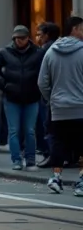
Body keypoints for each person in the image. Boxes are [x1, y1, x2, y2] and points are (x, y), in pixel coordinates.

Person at [38, 16, 83, 196]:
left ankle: (56, 178)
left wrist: (52, 99)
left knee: (59, 143)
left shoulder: (51, 52)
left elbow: (42, 82)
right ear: (74, 30)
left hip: (58, 108)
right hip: (80, 107)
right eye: (82, 29)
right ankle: (81, 181)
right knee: (81, 145)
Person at [0, 25, 44, 170]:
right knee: (14, 130)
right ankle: (16, 160)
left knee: (29, 130)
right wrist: (4, 85)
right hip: (11, 97)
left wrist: (40, 87)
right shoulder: (4, 52)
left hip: (32, 97)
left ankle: (30, 159)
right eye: (17, 38)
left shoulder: (37, 52)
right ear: (13, 38)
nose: (20, 41)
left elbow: (45, 71)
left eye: (23, 38)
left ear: (28, 38)